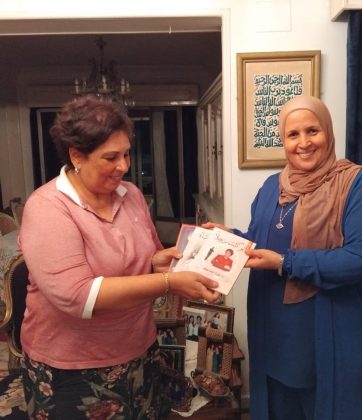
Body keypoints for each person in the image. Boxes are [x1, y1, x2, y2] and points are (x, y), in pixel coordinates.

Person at [18, 95, 220, 419]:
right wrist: (167, 282)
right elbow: (79, 296)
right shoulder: (47, 208)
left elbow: (146, 258)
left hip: (139, 350)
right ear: (76, 155)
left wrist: (163, 260)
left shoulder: (131, 195)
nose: (124, 166)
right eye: (111, 157)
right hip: (73, 368)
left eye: (126, 153)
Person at [204, 95, 362, 420]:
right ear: (283, 140)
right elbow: (260, 243)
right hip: (275, 336)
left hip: (332, 335)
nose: (303, 143)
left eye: (312, 131)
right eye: (293, 134)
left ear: (328, 132)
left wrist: (286, 262)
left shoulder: (358, 184)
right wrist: (230, 237)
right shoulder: (271, 187)